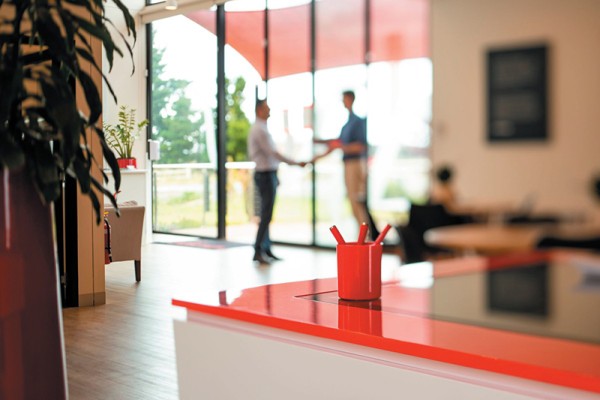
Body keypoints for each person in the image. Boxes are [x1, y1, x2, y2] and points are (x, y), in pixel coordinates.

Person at [248, 99, 306, 264]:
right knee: (265, 215)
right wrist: (295, 163)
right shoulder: (259, 130)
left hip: (268, 174)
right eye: (267, 108)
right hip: (265, 175)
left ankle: (266, 249)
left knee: (267, 215)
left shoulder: (262, 128)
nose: (270, 111)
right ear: (259, 110)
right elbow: (273, 153)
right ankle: (258, 249)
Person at [313, 90, 369, 227]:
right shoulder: (347, 124)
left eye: (344, 99)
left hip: (355, 164)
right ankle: (363, 238)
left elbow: (359, 146)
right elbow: (338, 143)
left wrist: (340, 147)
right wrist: (319, 148)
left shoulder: (357, 122)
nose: (343, 102)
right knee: (353, 201)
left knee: (357, 201)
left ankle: (365, 239)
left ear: (350, 99)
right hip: (349, 164)